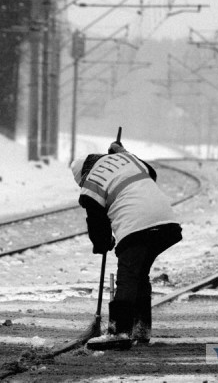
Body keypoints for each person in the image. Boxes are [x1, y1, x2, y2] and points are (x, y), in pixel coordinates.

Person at [70, 140, 183, 350]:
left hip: (138, 225)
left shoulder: (91, 184)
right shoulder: (126, 158)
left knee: (127, 276)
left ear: (84, 176)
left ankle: (120, 332)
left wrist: (103, 244)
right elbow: (151, 173)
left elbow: (97, 223)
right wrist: (123, 152)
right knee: (139, 275)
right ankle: (141, 329)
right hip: (167, 223)